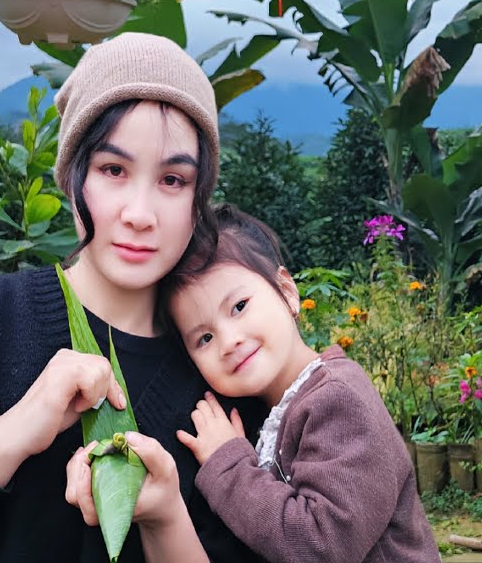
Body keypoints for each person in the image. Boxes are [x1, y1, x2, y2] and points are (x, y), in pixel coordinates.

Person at [0, 32, 260, 561]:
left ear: (199, 198)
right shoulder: (3, 317)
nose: (140, 214)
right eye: (113, 170)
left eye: (173, 179)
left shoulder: (225, 373)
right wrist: (18, 429)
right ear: (72, 178)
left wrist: (166, 519)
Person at [64, 203, 440, 563]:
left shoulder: (337, 399)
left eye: (239, 306)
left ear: (286, 291)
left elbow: (323, 548)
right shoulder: (276, 410)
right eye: (204, 338)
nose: (229, 341)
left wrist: (227, 464)